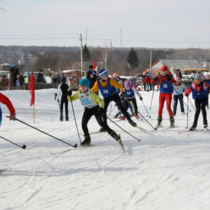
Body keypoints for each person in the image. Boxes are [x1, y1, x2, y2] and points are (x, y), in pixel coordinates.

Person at [67, 78, 124, 147]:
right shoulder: (78, 93)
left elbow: (101, 101)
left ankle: (115, 135)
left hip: (95, 109)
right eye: (81, 86)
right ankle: (87, 139)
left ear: (87, 86)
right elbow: (71, 99)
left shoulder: (90, 93)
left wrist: (101, 108)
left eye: (84, 86)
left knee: (101, 123)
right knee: (83, 124)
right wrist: (68, 95)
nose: (82, 88)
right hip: (87, 109)